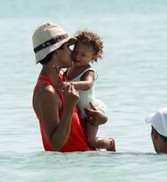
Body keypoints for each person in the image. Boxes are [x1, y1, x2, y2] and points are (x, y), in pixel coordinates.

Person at [32, 22, 108, 152]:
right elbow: (56, 145)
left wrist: (101, 118)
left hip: (87, 162)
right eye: (68, 46)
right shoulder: (46, 91)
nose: (72, 52)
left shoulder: (63, 78)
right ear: (56, 51)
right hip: (71, 167)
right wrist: (68, 108)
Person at [63, 30, 115, 151]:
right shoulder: (70, 68)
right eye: (75, 52)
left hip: (90, 112)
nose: (77, 56)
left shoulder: (88, 71)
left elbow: (88, 84)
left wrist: (67, 84)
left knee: (91, 141)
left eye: (83, 54)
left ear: (94, 57)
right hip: (78, 111)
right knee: (81, 138)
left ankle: (110, 144)